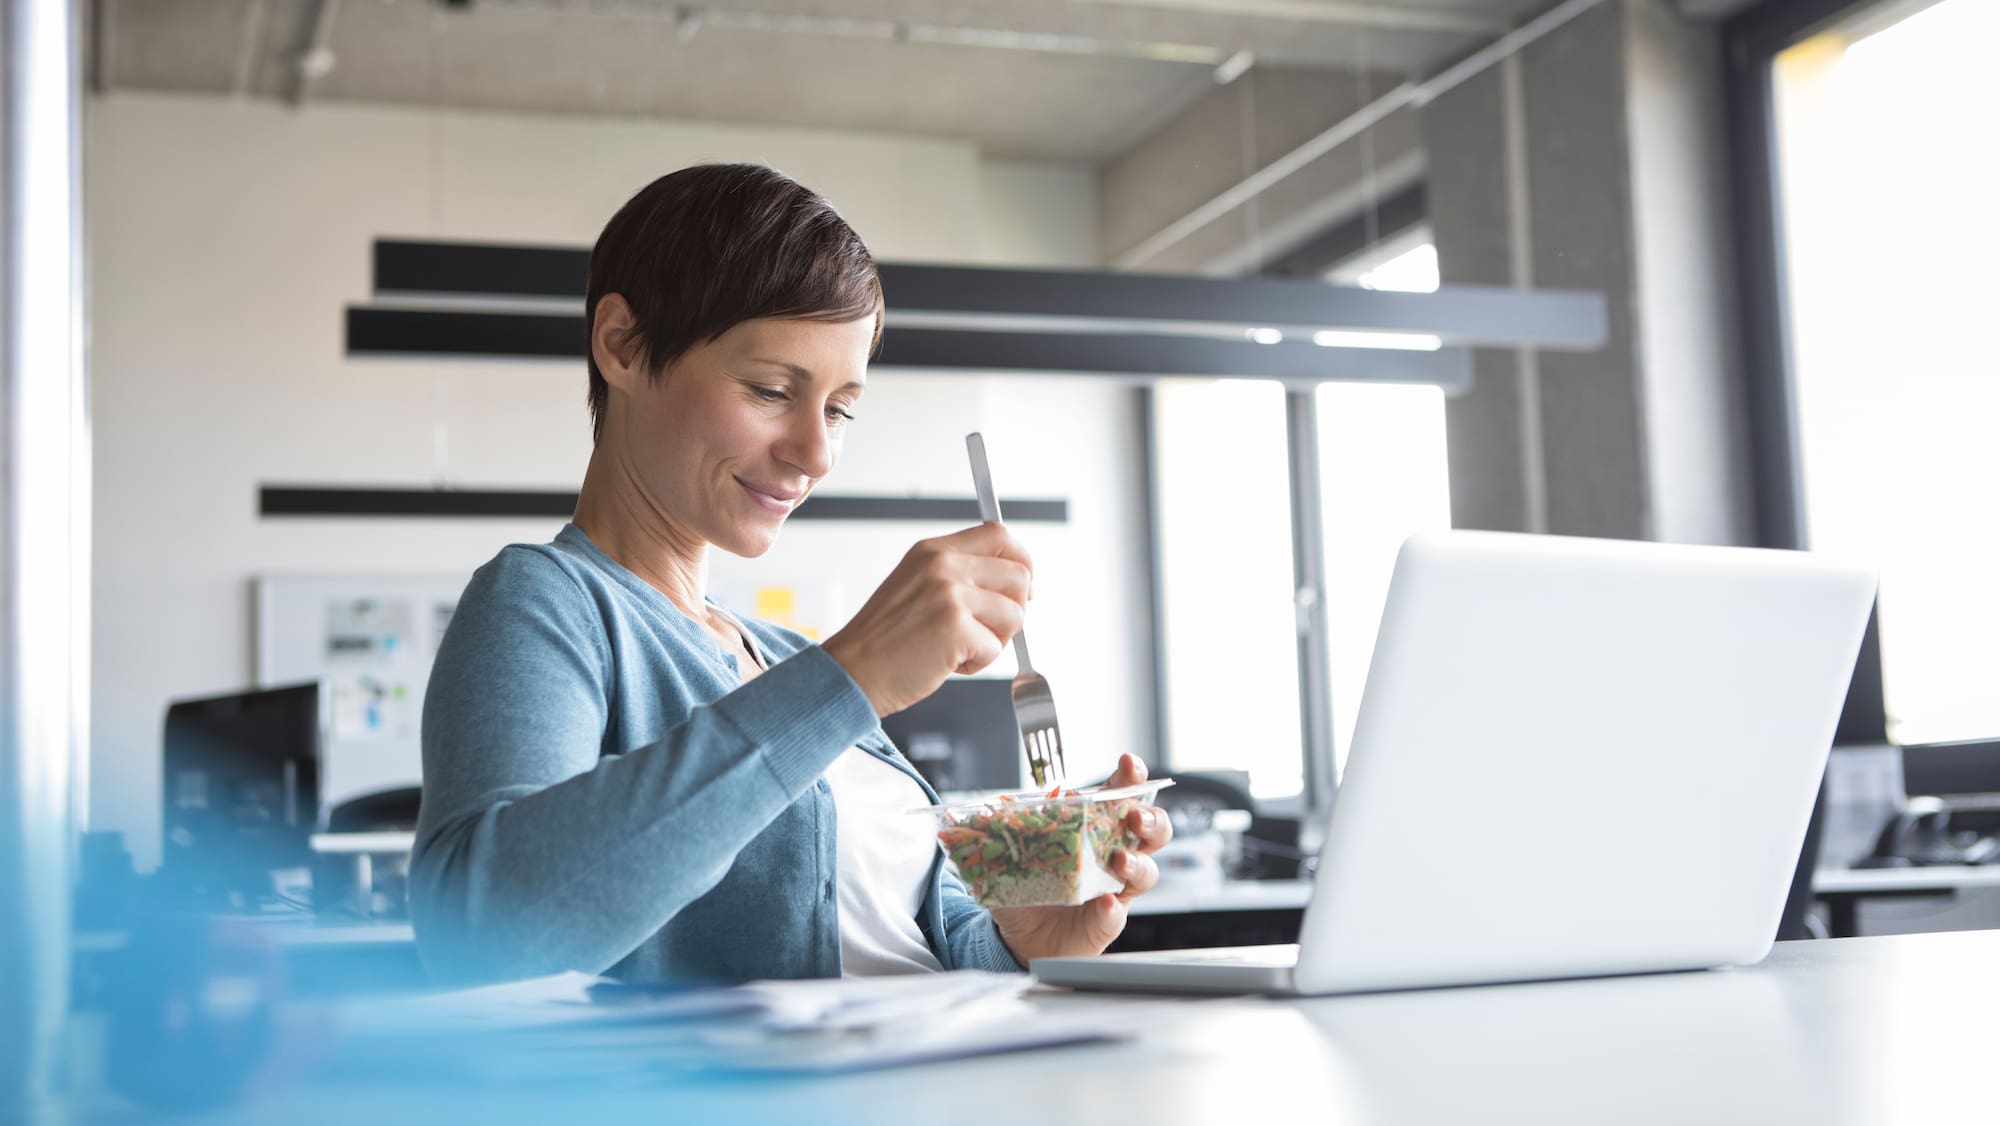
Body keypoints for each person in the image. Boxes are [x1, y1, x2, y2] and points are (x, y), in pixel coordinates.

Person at [410, 163, 1172, 985]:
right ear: (623, 346)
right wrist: (851, 674)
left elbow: (906, 952)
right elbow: (480, 938)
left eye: (840, 408)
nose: (815, 452)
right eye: (772, 389)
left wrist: (1023, 942)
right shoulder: (550, 605)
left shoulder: (782, 655)